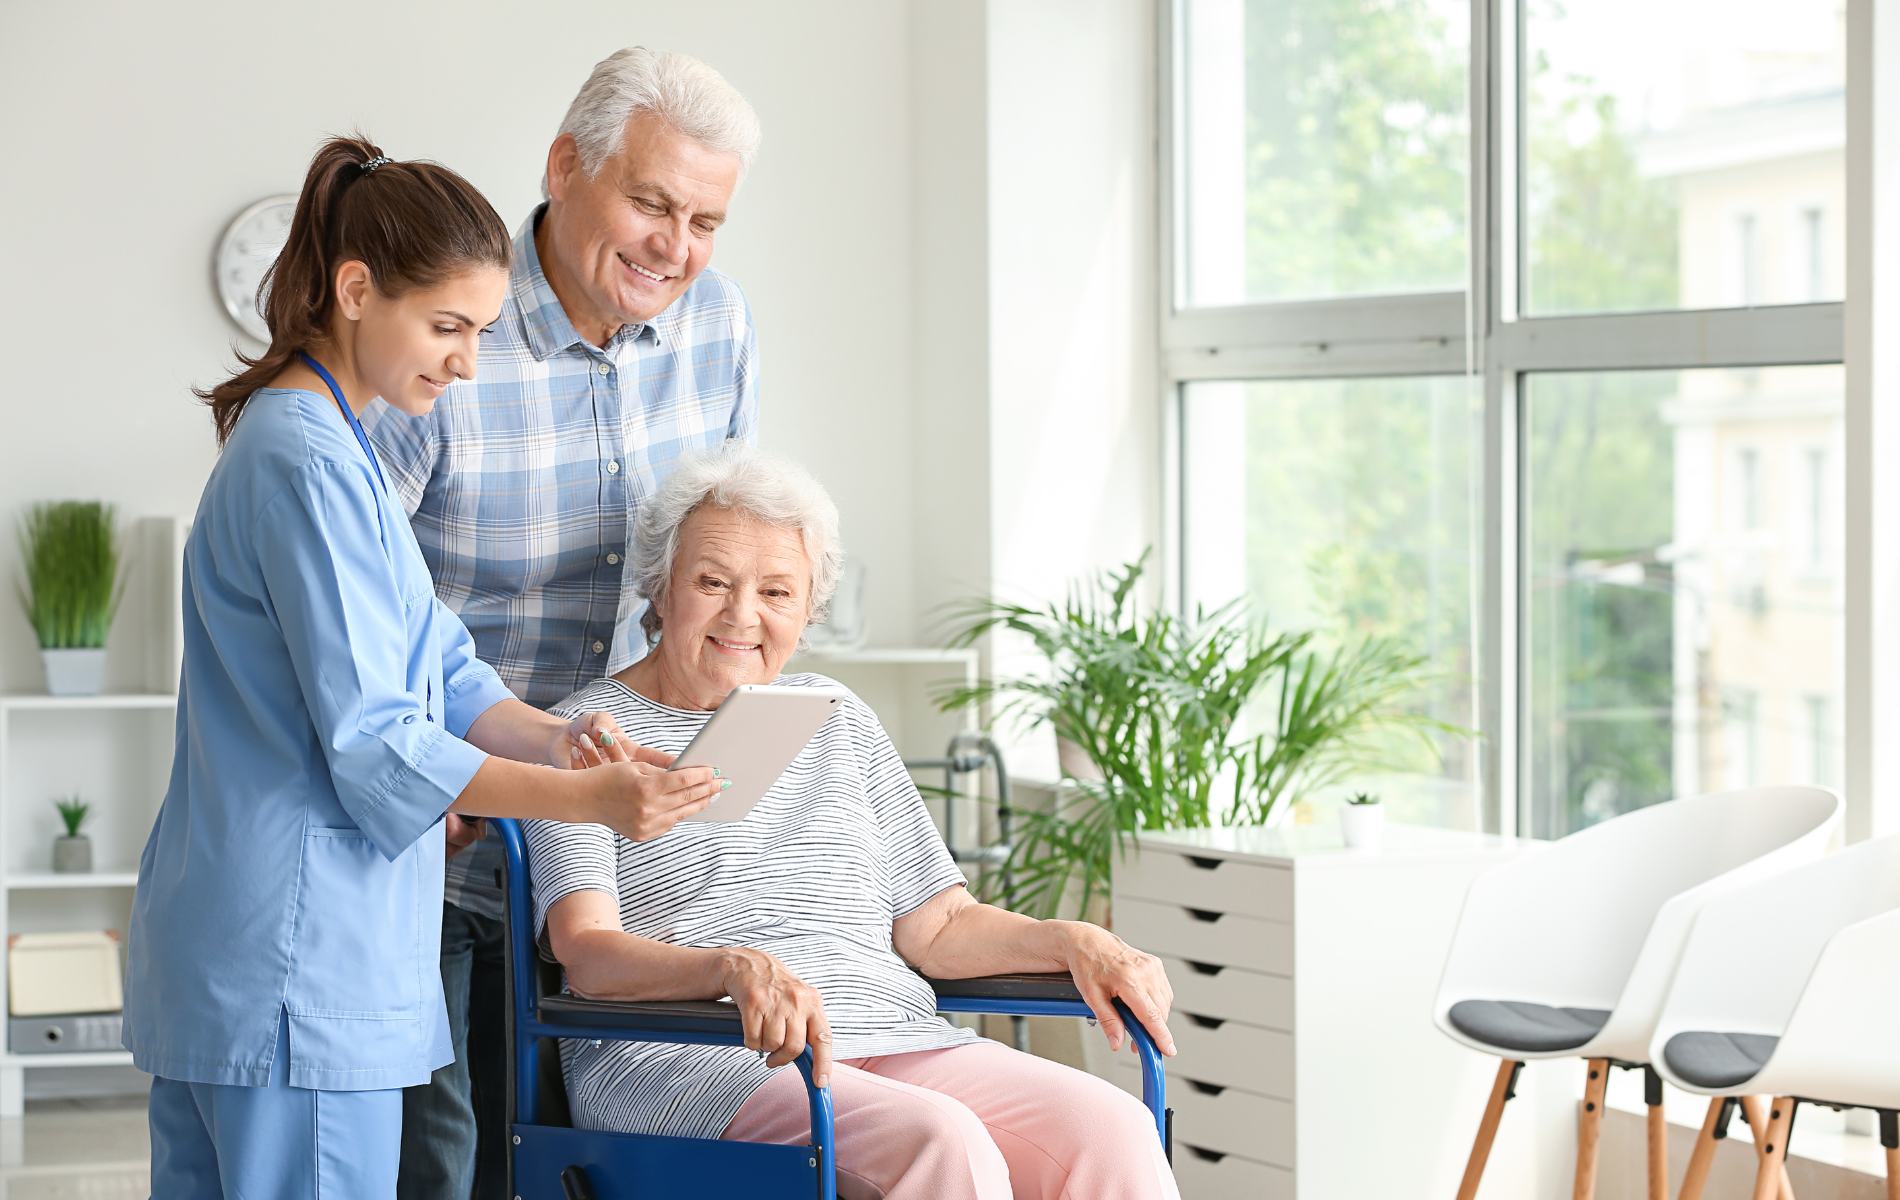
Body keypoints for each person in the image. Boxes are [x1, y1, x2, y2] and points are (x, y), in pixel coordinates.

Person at [122, 136, 727, 1199]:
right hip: (297, 962)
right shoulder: (308, 461)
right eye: (447, 327)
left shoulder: (330, 447)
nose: (463, 363)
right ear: (355, 291)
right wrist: (584, 797)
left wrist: (563, 736)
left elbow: (441, 665)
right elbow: (381, 741)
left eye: (483, 333)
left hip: (244, 954)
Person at [524, 444, 1184, 1200]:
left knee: (1112, 1128)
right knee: (942, 1140)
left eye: (777, 592)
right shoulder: (581, 740)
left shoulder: (834, 719)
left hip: (892, 1037)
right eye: (713, 582)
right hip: (698, 1055)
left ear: (808, 611)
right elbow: (589, 956)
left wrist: (1076, 941)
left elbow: (936, 926)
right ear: (660, 589)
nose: (744, 615)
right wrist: (728, 970)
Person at [360, 49, 761, 1199]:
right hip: (441, 836)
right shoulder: (445, 334)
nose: (671, 247)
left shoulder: (718, 326)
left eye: (703, 220)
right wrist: (441, 776)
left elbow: (712, 563)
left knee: (579, 1163)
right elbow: (355, 595)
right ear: (563, 168)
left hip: (612, 856)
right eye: (649, 202)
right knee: (444, 1168)